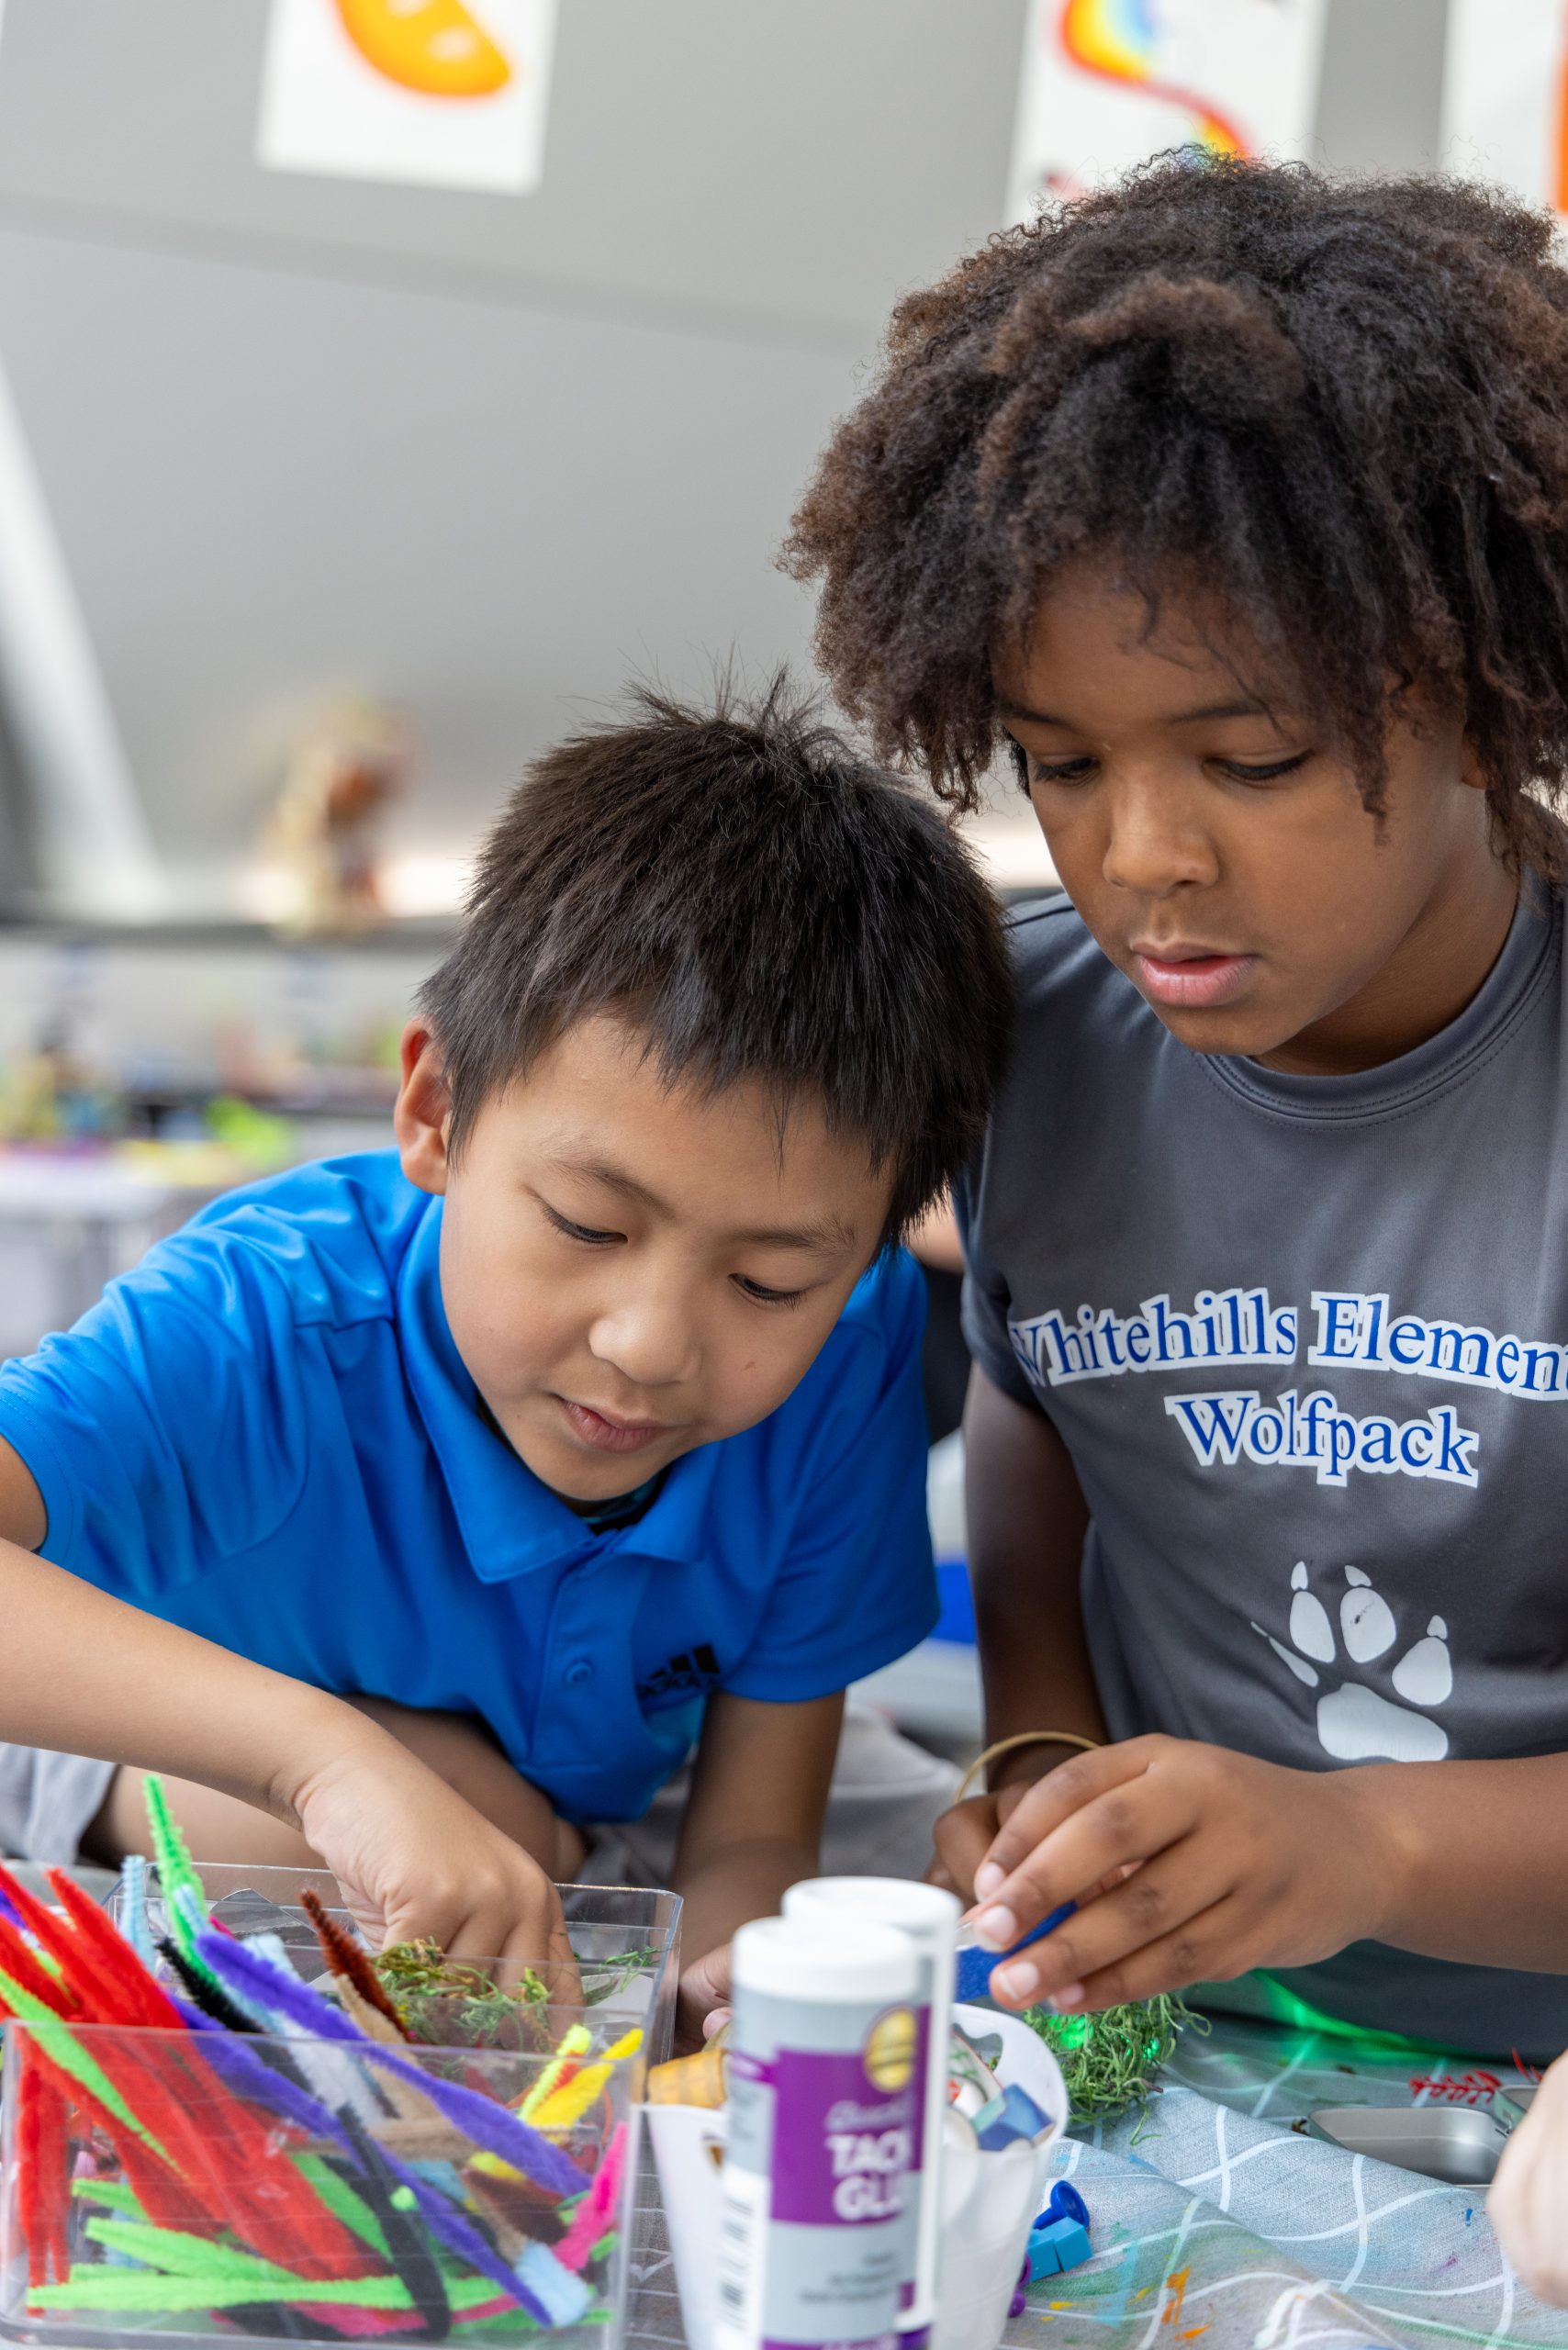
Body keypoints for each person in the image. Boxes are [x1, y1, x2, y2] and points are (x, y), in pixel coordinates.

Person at [786, 159, 1568, 2057]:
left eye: (1253, 756)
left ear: (1481, 696)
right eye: (1056, 762)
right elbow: (1037, 1379)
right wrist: (1045, 1731)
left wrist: (1358, 1840)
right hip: (1194, 2050)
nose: (1142, 860)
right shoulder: (1020, 1032)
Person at [0, 682, 1010, 2033]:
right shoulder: (267, 1320)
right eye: (589, 1225)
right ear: (433, 1111)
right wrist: (322, 1761)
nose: (649, 1345)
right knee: (460, 1847)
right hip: (140, 1731)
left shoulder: (853, 1339)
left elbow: (752, 1840)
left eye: (768, 1281)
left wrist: (715, 2011)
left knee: (898, 1918)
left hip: (601, 1785)